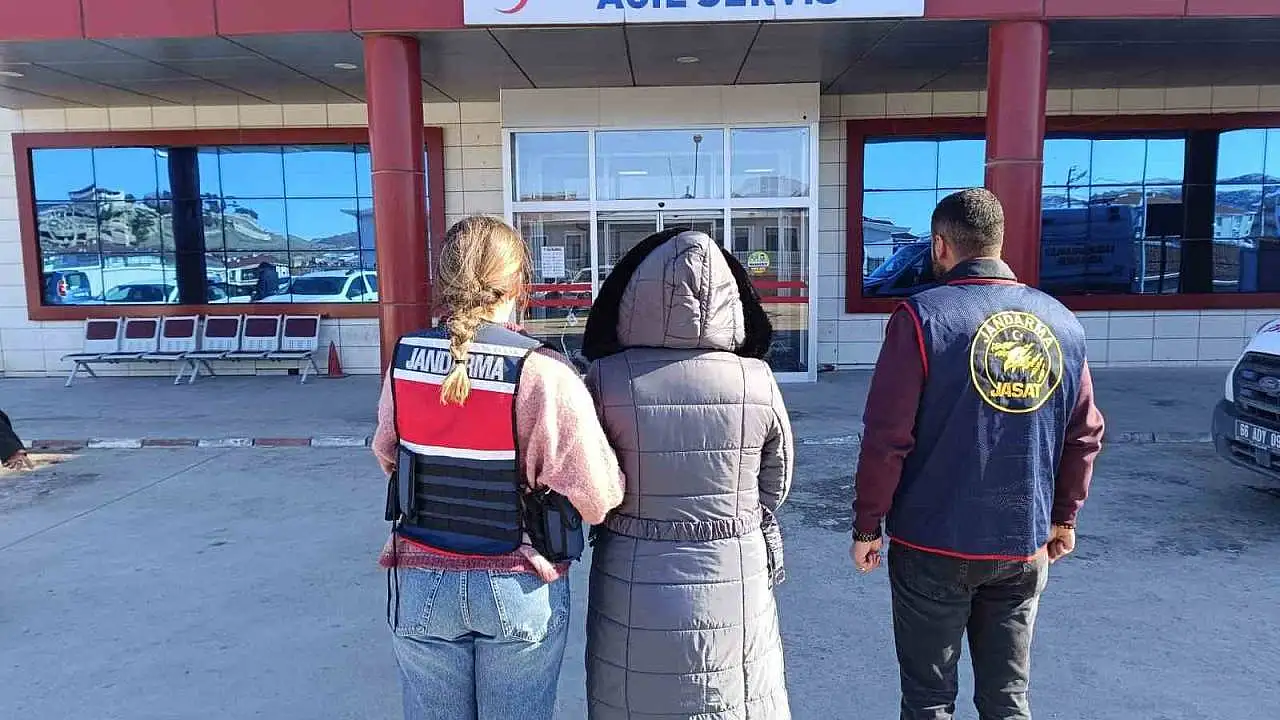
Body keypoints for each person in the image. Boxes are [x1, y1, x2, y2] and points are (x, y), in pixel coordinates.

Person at [850, 188, 1105, 720]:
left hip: (932, 543)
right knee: (1007, 698)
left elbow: (886, 436)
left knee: (928, 699)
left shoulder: (921, 317)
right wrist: (1064, 517)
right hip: (1022, 541)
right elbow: (1084, 433)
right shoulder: (1062, 323)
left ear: (940, 245)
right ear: (998, 242)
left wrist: (868, 525)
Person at [371, 215, 624, 720]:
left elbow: (387, 453)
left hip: (420, 577)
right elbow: (597, 498)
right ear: (515, 284)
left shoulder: (406, 358)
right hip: (515, 583)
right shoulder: (542, 370)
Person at [582, 228, 794, 719]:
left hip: (632, 564)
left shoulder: (606, 379)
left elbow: (591, 478)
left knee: (632, 693)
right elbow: (777, 482)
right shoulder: (756, 379)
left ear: (635, 296)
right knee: (735, 694)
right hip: (734, 564)